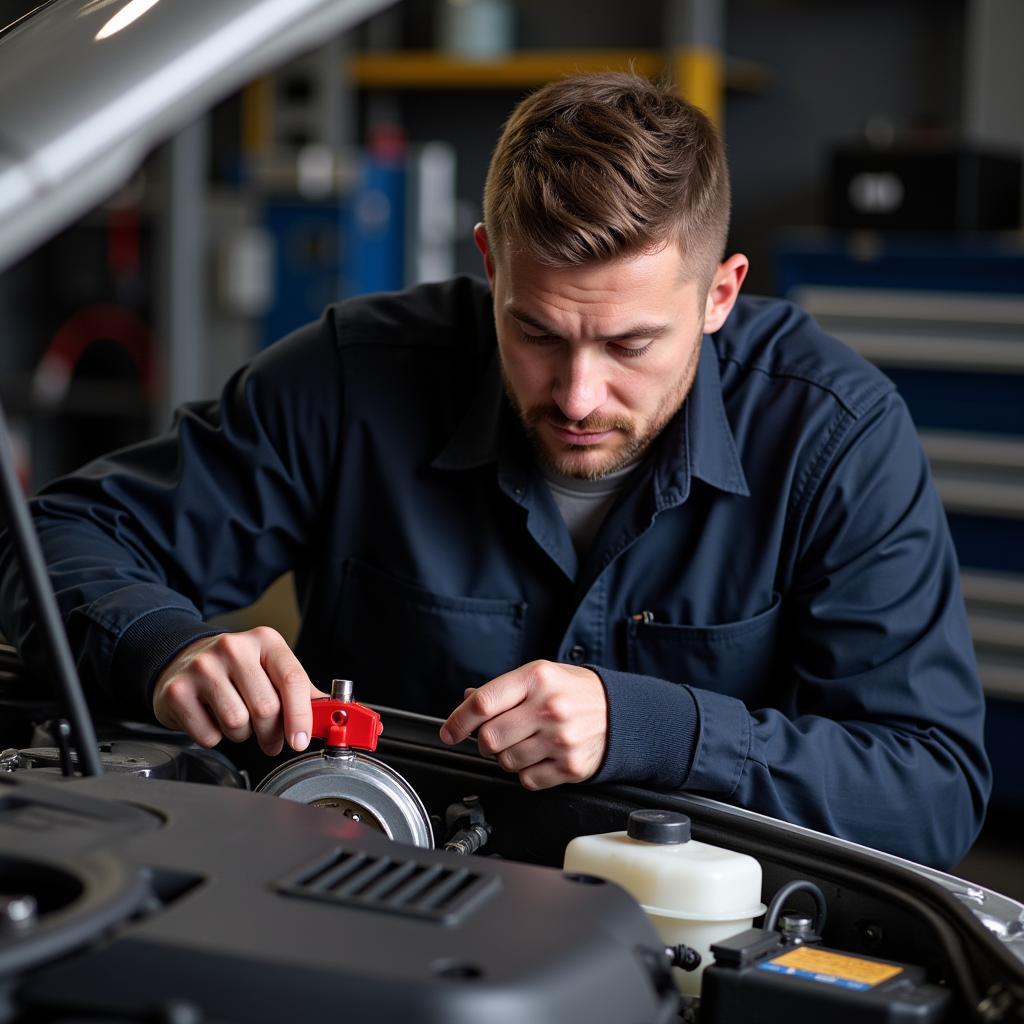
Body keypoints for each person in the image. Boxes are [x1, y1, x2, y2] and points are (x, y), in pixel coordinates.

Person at [0, 73, 989, 869]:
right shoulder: (354, 383)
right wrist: (166, 645)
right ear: (489, 264)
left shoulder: (833, 438)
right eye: (537, 332)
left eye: (631, 344)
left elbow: (930, 787)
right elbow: (48, 539)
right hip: (377, 899)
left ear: (719, 293)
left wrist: (662, 728)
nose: (577, 394)